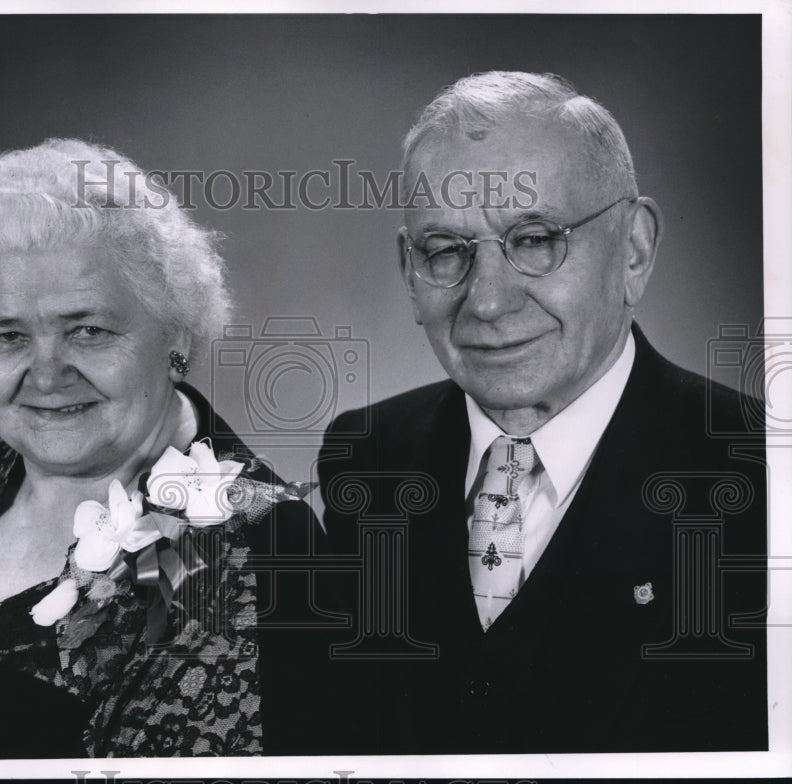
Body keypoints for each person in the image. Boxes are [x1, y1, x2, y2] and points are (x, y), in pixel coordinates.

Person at [0, 138, 317, 758]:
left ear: (177, 332)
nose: (47, 375)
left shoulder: (255, 542)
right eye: (7, 336)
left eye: (88, 329)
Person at [318, 72, 768, 754]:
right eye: (446, 251)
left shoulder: (765, 471)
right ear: (410, 271)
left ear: (634, 250)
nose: (488, 301)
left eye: (533, 240)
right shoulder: (366, 456)